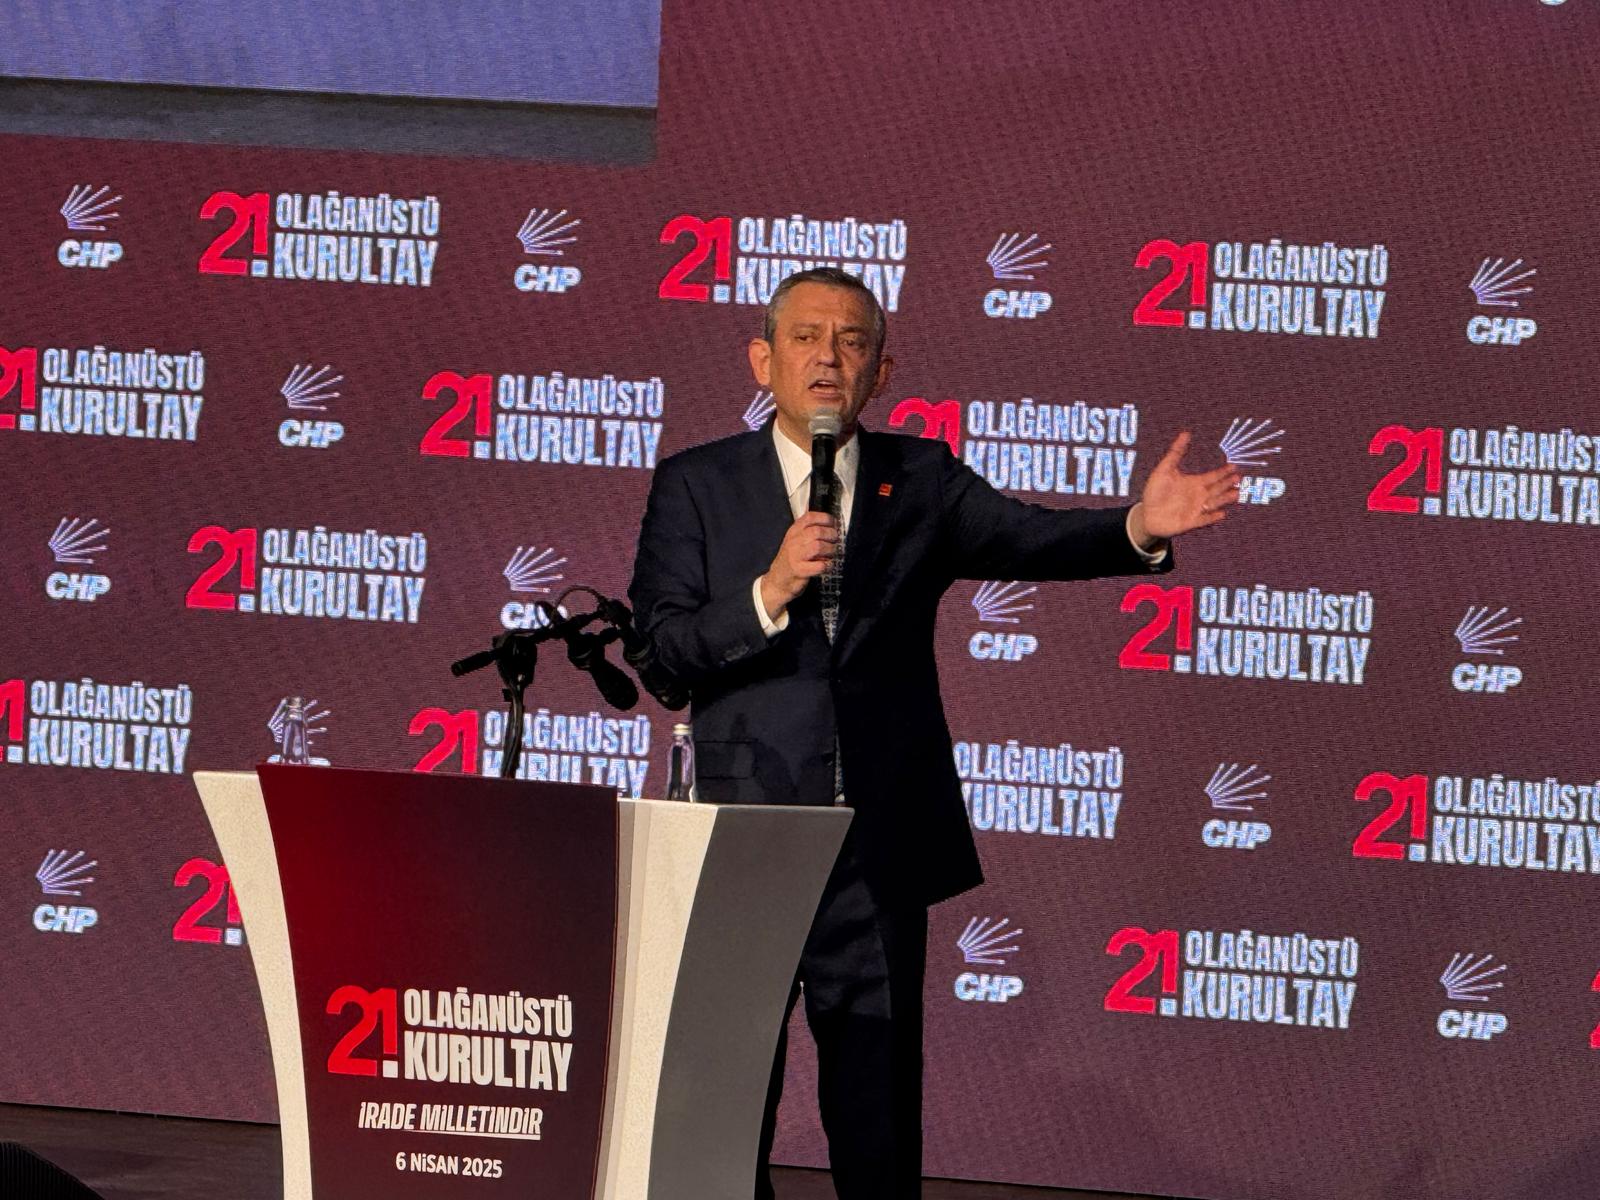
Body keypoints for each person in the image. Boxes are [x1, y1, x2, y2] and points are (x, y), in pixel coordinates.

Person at [628, 267, 1239, 1198]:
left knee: (876, 1112)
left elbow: (1032, 538)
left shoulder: (919, 479)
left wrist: (1137, 527)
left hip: (875, 849)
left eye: (851, 342)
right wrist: (769, 590)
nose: (827, 358)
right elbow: (664, 654)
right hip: (742, 844)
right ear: (762, 359)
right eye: (805, 337)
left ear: (882, 371)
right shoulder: (696, 485)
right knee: (725, 1106)